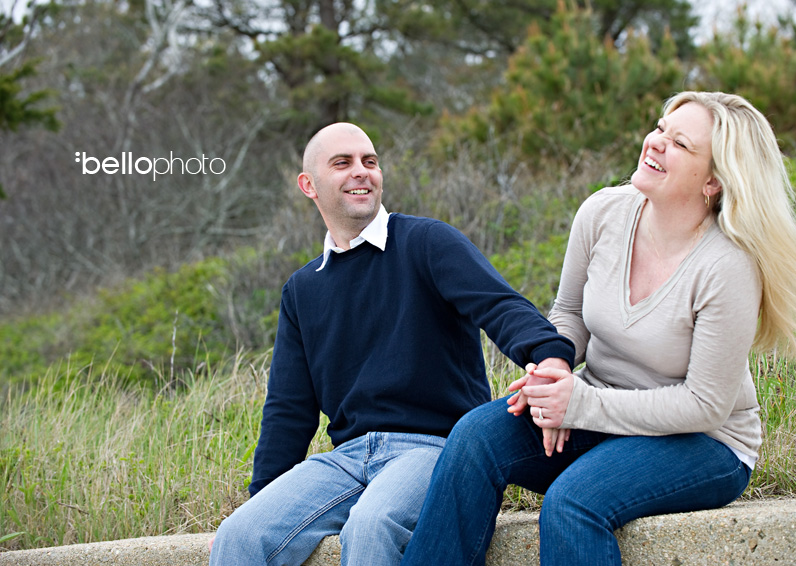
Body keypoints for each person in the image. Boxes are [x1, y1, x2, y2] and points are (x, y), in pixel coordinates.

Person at [401, 91, 796, 566]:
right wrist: (553, 368)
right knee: (475, 438)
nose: (654, 143)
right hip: (599, 412)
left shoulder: (727, 267)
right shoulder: (602, 213)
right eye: (660, 128)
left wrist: (580, 404)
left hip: (704, 443)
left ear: (713, 181)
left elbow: (705, 405)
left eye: (679, 143)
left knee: (574, 501)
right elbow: (569, 313)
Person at [208, 122, 577, 566]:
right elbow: (288, 409)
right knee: (239, 536)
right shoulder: (303, 289)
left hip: (433, 449)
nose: (361, 172)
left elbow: (500, 307)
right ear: (309, 185)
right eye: (342, 163)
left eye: (370, 161)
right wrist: (260, 498)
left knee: (372, 525)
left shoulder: (426, 242)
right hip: (346, 459)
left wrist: (549, 356)